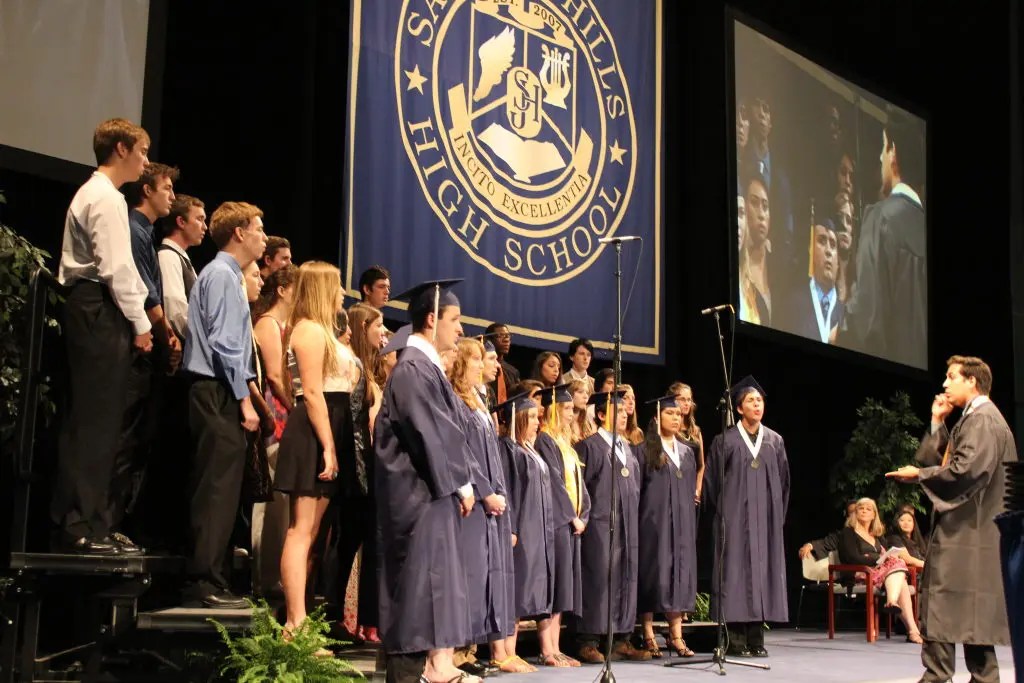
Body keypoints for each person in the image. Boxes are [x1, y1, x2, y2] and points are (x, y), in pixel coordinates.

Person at [52, 118, 153, 554]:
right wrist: (142, 323)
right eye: (142, 152)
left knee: (104, 419)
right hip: (97, 306)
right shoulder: (105, 197)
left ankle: (91, 522)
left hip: (96, 307)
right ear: (121, 148)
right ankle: (76, 525)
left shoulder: (101, 195)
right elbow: (116, 267)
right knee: (94, 420)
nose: (146, 162)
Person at [373, 279, 481, 683]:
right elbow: (429, 434)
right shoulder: (413, 370)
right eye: (455, 320)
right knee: (415, 602)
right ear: (431, 318)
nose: (460, 329)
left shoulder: (423, 368)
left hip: (427, 497)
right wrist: (461, 483)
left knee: (426, 601)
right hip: (415, 501)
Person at [887, 355, 1015, 683]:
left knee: (949, 611)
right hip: (966, 533)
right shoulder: (972, 419)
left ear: (972, 381)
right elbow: (949, 461)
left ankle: (936, 678)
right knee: (968, 621)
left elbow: (965, 471)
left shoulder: (984, 420)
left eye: (951, 377)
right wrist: (936, 422)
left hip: (970, 535)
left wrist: (920, 475)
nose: (944, 384)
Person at [180, 201, 267, 607]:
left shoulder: (227, 276)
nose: (263, 237)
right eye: (259, 229)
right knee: (216, 487)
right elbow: (225, 345)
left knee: (224, 487)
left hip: (218, 390)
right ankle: (204, 582)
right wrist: (244, 402)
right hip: (214, 390)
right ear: (238, 233)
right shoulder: (220, 275)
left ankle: (212, 578)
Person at [275, 262, 358, 653]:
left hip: (333, 427)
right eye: (337, 287)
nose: (342, 293)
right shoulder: (307, 330)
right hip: (313, 432)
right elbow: (310, 393)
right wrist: (327, 445)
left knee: (316, 537)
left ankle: (302, 617)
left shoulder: (325, 331)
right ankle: (294, 623)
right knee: (301, 530)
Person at [704, 376, 789, 657]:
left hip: (765, 523)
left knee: (762, 576)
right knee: (734, 576)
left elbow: (784, 484)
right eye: (751, 400)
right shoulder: (724, 441)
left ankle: (757, 640)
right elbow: (712, 484)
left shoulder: (775, 441)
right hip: (733, 521)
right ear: (739, 408)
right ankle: (735, 640)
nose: (757, 404)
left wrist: (775, 519)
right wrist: (725, 515)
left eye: (760, 400)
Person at [841, 116, 926, 368]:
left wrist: (839, 333)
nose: (879, 158)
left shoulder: (880, 218)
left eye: (883, 147)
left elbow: (868, 316)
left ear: (893, 152)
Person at [573, 390, 650, 663]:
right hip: (599, 526)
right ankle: (588, 641)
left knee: (625, 579)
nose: (624, 415)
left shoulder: (628, 448)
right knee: (599, 581)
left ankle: (620, 639)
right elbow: (580, 489)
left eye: (626, 411)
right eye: (617, 411)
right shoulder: (589, 446)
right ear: (602, 414)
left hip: (628, 524)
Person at [449, 338, 510, 678]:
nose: (479, 365)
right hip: (470, 502)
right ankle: (457, 651)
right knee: (469, 574)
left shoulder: (479, 400)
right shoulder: (457, 402)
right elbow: (465, 455)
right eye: (474, 359)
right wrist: (486, 493)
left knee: (483, 574)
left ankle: (470, 647)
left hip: (490, 502)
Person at [637, 396, 699, 658]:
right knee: (654, 574)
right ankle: (648, 632)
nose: (676, 418)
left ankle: (676, 635)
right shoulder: (643, 450)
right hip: (653, 523)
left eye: (678, 414)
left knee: (679, 576)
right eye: (670, 414)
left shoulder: (686, 452)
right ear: (657, 417)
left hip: (682, 524)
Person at [534, 383, 588, 668]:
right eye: (566, 408)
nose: (571, 413)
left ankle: (555, 646)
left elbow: (580, 483)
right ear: (554, 410)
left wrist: (585, 514)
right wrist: (571, 515)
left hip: (571, 525)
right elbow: (555, 481)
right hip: (557, 523)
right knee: (554, 587)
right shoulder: (546, 440)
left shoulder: (567, 444)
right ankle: (546, 648)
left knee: (564, 588)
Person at [836, 498, 921, 644]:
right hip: (860, 574)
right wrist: (876, 559)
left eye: (868, 509)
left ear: (874, 515)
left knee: (899, 575)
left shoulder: (877, 535)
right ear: (855, 513)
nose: (864, 511)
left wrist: (881, 558)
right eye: (860, 508)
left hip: (881, 574)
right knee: (899, 571)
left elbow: (887, 553)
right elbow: (852, 557)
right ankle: (912, 630)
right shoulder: (848, 532)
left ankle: (894, 604)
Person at [158, 193, 207, 340]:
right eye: (199, 219)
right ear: (181, 222)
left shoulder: (180, 258)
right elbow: (175, 310)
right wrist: (204, 341)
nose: (205, 227)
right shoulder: (168, 256)